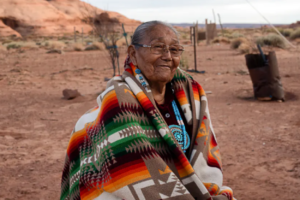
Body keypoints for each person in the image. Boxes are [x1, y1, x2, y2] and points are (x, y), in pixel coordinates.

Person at [60, 21, 236, 200]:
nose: (167, 56)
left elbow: (205, 159)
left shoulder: (192, 95)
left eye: (174, 50)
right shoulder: (120, 101)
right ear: (133, 54)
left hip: (195, 192)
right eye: (158, 47)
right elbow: (127, 176)